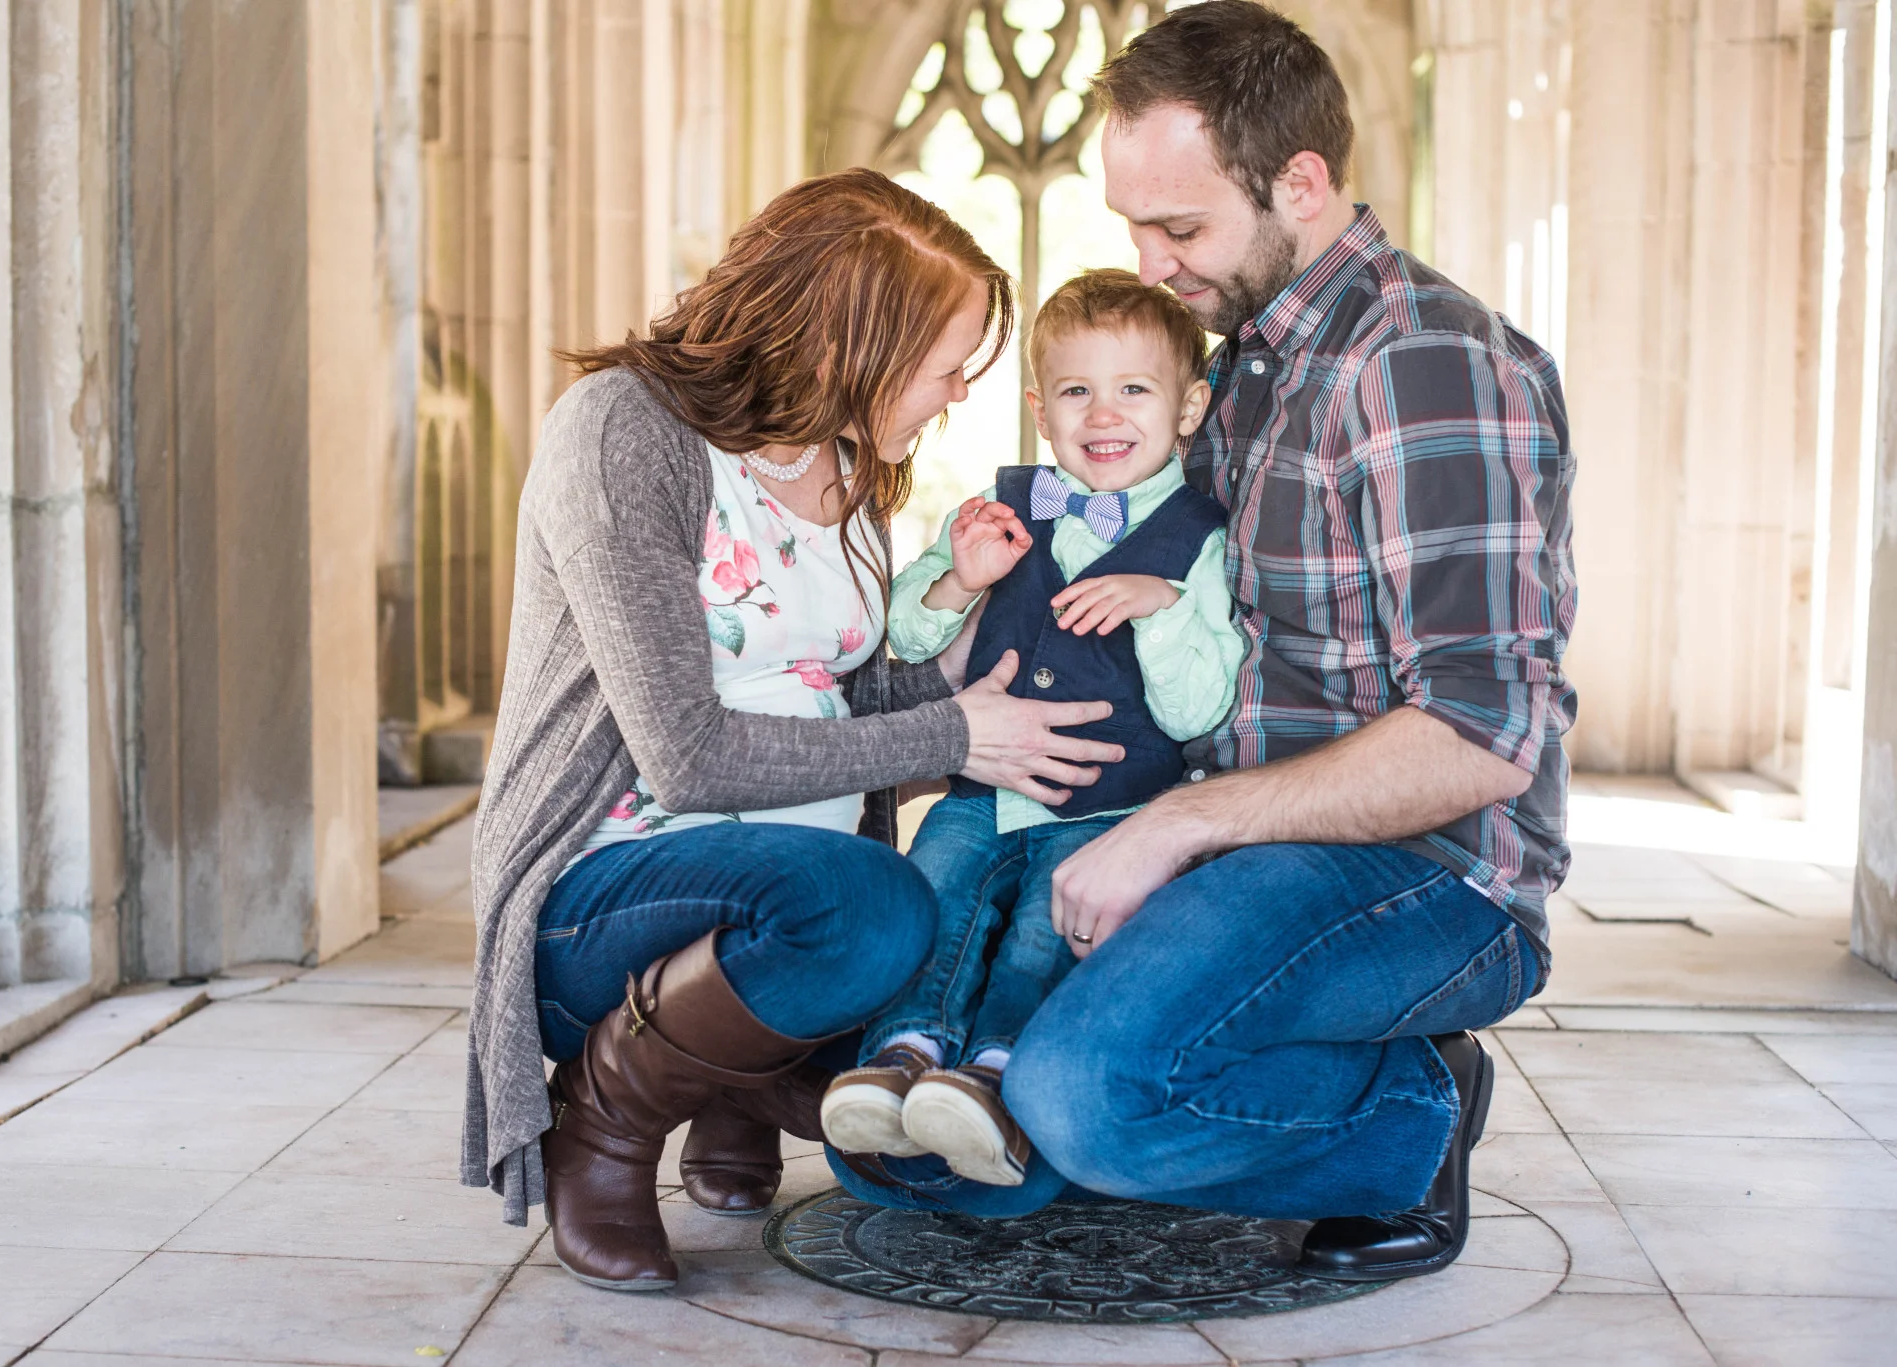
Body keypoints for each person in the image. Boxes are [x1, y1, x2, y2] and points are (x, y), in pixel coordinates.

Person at [830, 0, 1577, 1285]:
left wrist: (1178, 825)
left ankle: (1414, 1114)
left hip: (1417, 870)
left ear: (1301, 181)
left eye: (1180, 227)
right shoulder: (1238, 367)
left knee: (1078, 1103)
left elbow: (1482, 735)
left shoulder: (1422, 367)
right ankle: (1216, 1063)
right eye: (1134, 225)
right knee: (924, 1142)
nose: (1156, 261)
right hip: (1229, 841)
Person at [460, 168, 1131, 1291]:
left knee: (969, 1161)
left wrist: (975, 664)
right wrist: (955, 738)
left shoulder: (846, 460)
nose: (956, 393)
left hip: (793, 913)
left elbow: (839, 696)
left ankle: (723, 1074)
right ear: (846, 338)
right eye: (942, 364)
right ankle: (608, 1118)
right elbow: (689, 751)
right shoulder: (621, 431)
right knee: (877, 904)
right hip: (603, 894)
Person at [820, 269, 1244, 1187]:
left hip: (1106, 810)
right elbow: (903, 632)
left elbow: (1199, 706)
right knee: (933, 900)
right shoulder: (1005, 507)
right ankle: (898, 1059)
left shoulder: (1200, 539)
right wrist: (959, 579)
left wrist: (1160, 606)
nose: (1105, 412)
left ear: (1188, 406)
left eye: (1135, 388)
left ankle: (992, 1081)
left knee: (1042, 937)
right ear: (1039, 410)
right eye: (1076, 389)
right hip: (980, 790)